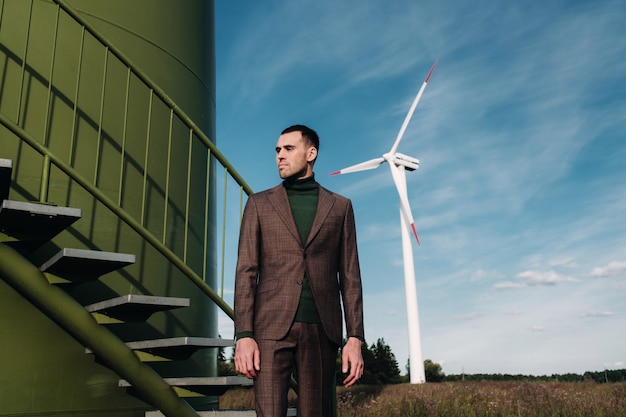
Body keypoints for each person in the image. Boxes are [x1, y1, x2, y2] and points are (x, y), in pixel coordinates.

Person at [234, 124, 365, 417]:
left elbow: (351, 276)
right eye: (277, 150)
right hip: (269, 329)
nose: (280, 155)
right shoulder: (258, 204)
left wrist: (354, 338)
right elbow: (246, 271)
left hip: (322, 328)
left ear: (311, 153)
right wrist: (243, 334)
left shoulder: (341, 207)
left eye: (288, 149)